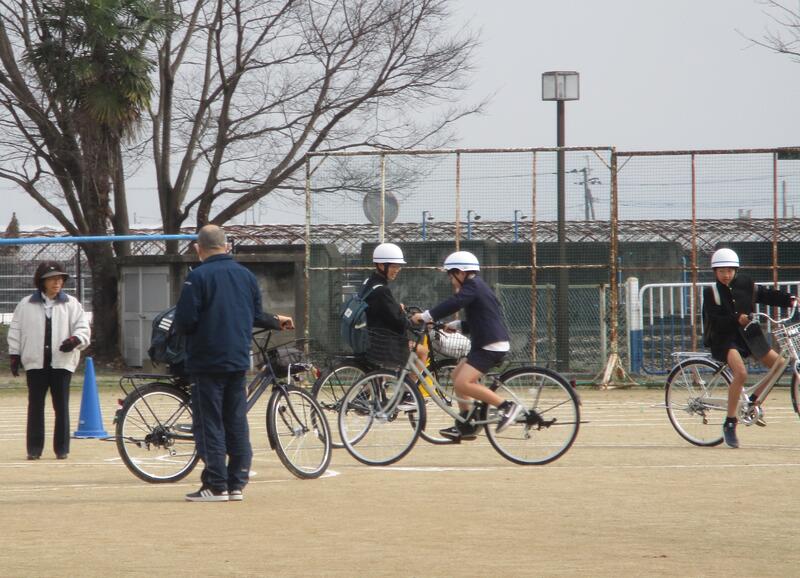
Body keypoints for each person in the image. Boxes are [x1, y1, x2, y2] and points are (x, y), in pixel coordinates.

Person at [174, 225, 294, 502]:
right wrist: (275, 321)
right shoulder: (246, 276)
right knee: (236, 421)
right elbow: (255, 314)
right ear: (226, 246)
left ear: (198, 249)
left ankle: (216, 485)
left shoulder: (197, 277)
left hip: (206, 361)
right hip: (238, 359)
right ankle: (237, 482)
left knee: (210, 423)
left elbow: (184, 321)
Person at [410, 251, 521, 441]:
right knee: (456, 376)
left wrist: (426, 316)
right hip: (485, 343)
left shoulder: (473, 286)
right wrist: (458, 325)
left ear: (461, 273)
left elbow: (455, 303)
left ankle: (507, 407)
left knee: (463, 382)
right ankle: (467, 423)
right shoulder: (478, 287)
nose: (451, 280)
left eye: (451, 275)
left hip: (490, 345)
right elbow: (483, 318)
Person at [703, 248, 796, 448]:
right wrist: (737, 318)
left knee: (780, 365)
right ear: (715, 272)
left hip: (749, 335)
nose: (726, 275)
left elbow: (766, 295)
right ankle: (730, 423)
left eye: (730, 270)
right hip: (723, 339)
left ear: (736, 270)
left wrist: (790, 300)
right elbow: (715, 320)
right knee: (741, 373)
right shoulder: (711, 291)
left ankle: (752, 402)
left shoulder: (746, 283)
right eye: (721, 271)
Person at [7, 261, 90, 460]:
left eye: (60, 279)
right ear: (42, 282)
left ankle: (62, 448)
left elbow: (83, 328)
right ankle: (34, 449)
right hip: (35, 363)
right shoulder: (26, 304)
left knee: (61, 406)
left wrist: (75, 340)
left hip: (62, 363)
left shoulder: (71, 303)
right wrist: (14, 354)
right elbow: (16, 329)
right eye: (52, 279)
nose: (57, 282)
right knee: (35, 406)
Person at [362, 243, 428, 375]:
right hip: (385, 343)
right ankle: (408, 387)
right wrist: (411, 319)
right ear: (381, 266)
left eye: (398, 266)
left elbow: (383, 309)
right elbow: (399, 322)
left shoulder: (368, 282)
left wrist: (397, 308)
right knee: (423, 352)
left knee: (383, 375)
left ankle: (378, 385)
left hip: (370, 337)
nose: (397, 269)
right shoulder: (382, 290)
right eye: (393, 266)